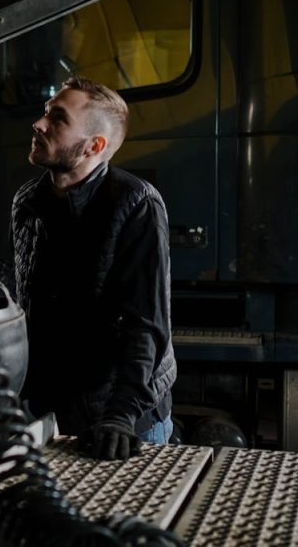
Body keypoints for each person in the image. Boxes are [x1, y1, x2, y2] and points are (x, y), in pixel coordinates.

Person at [10, 76, 177, 460]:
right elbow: (29, 308)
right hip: (55, 416)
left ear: (94, 146)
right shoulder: (27, 202)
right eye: (44, 113)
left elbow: (145, 325)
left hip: (124, 421)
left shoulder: (135, 203)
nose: (38, 124)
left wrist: (121, 416)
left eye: (57, 118)